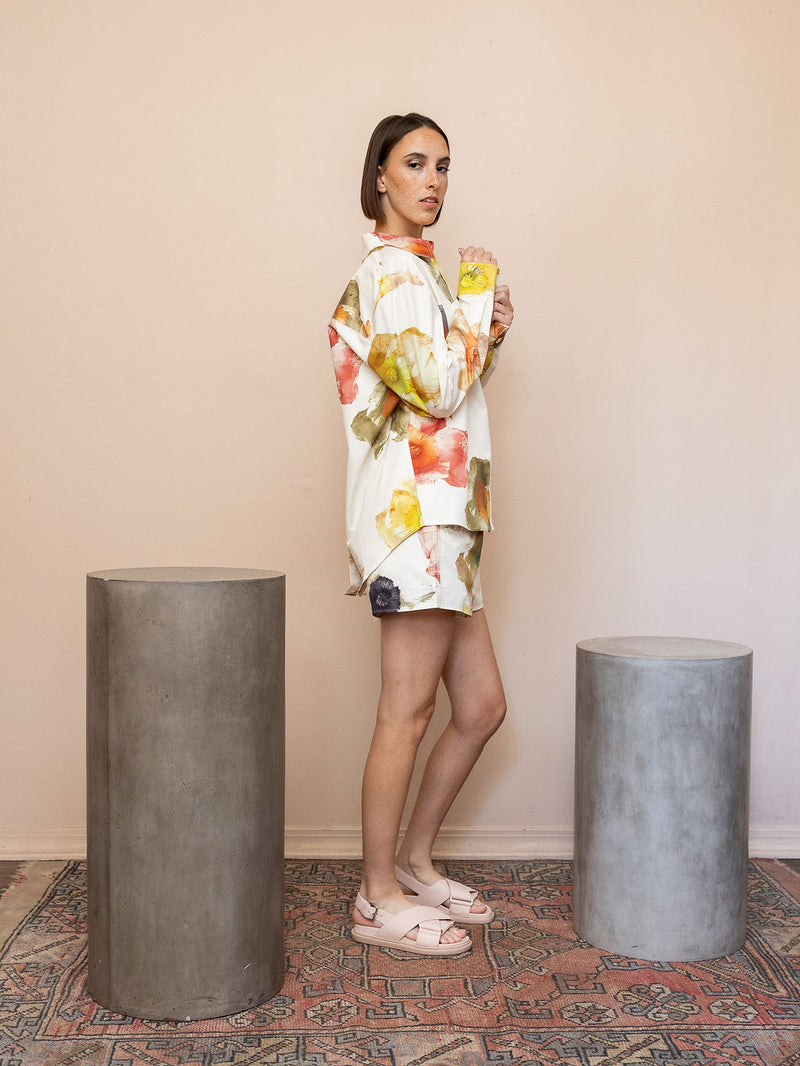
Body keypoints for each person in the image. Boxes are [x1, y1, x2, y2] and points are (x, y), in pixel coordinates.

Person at [327, 113, 514, 956]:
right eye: (414, 163)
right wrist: (477, 301)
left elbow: (447, 386)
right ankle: (374, 899)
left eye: (442, 165)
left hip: (447, 517)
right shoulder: (394, 275)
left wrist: (486, 325)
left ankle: (412, 861)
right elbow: (438, 390)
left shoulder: (423, 278)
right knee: (403, 714)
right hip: (413, 522)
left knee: (479, 707)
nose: (433, 180)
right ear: (380, 178)